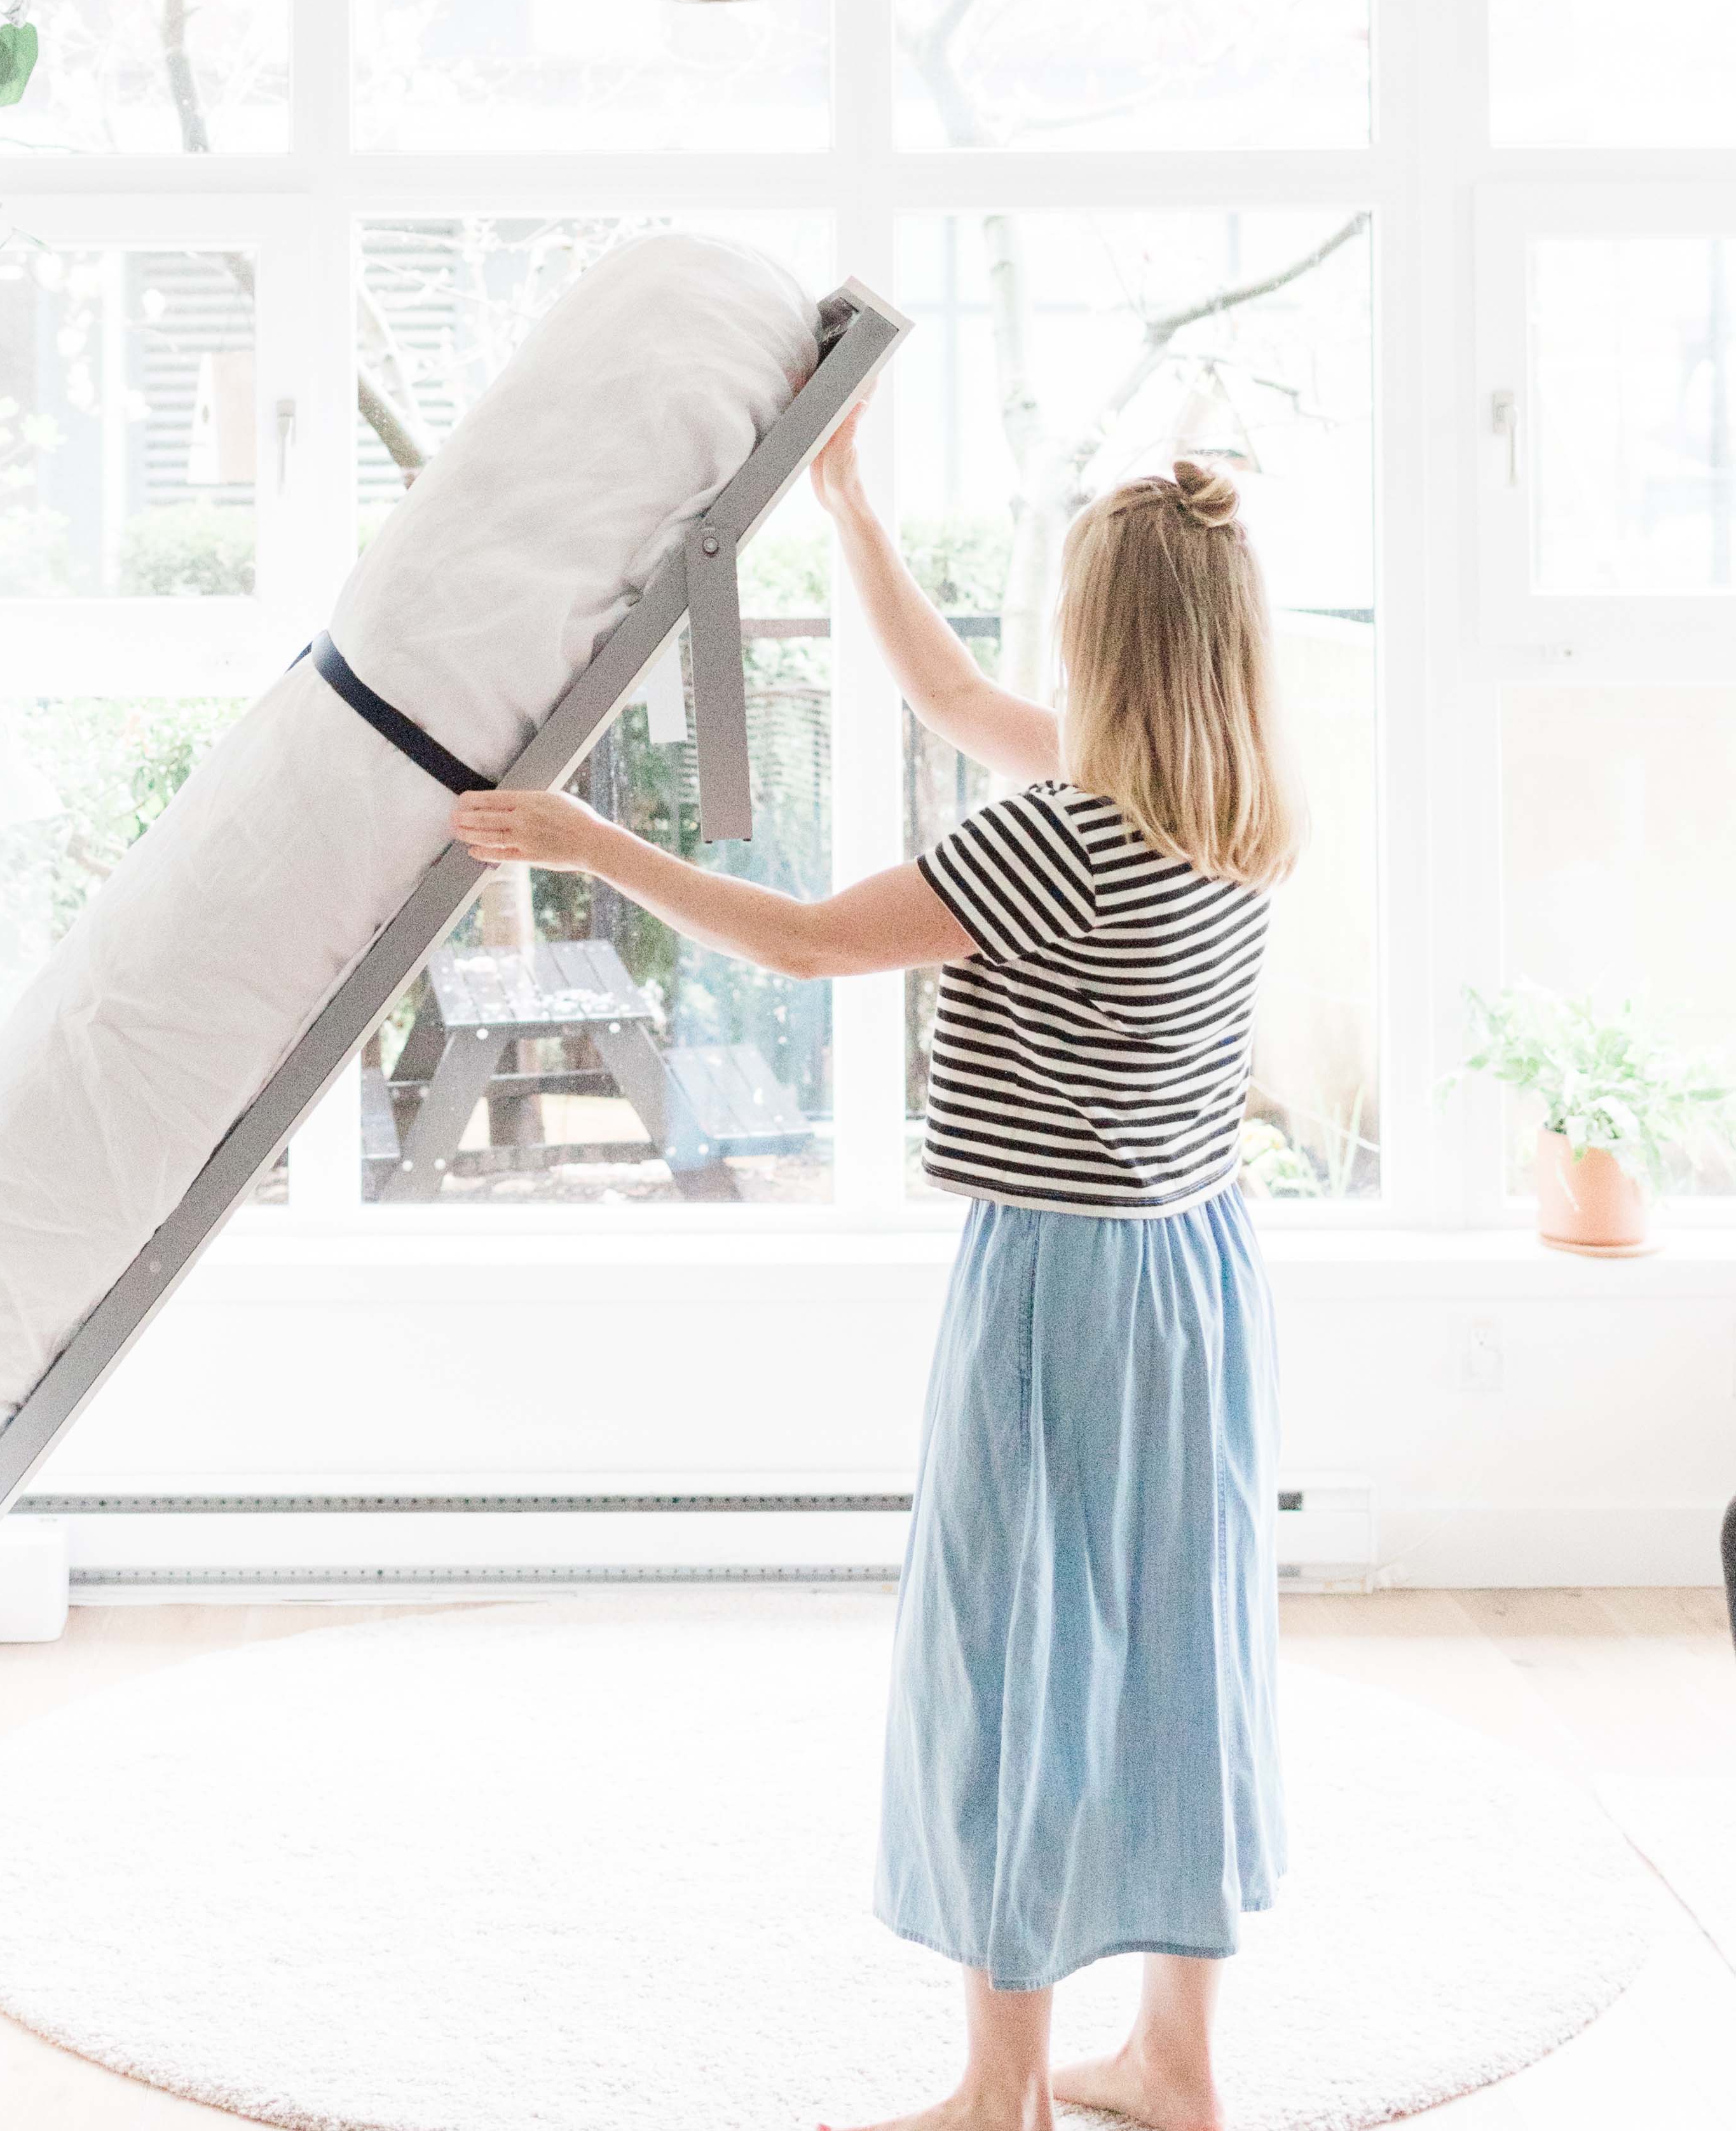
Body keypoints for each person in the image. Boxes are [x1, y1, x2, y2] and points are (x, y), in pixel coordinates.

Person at [449, 402, 1300, 2131]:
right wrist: (849, 511)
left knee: (1020, 1662)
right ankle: (1176, 2060)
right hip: (1199, 1280)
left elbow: (819, 939)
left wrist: (586, 841)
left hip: (1061, 1290)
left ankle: (1002, 2095)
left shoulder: (1060, 836)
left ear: (1095, 638)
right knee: (1174, 1656)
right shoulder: (1236, 801)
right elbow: (954, 708)